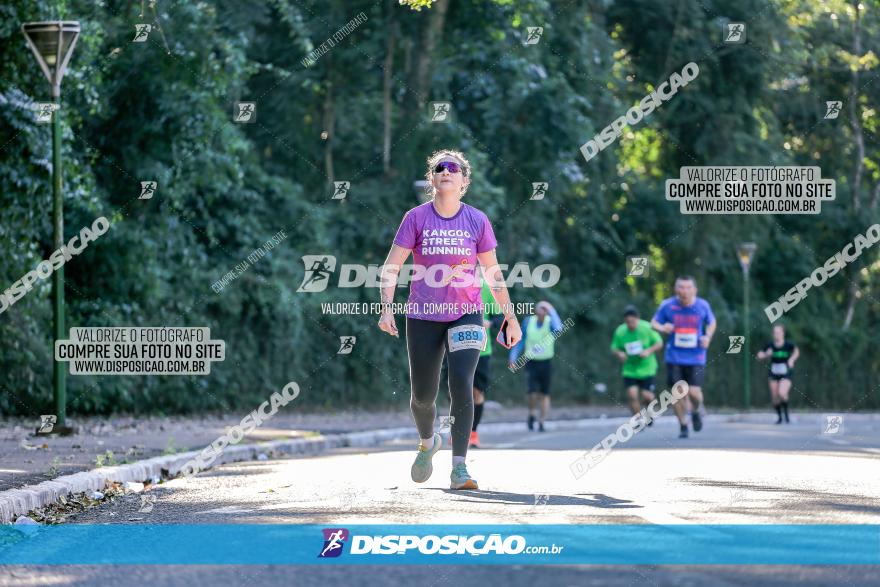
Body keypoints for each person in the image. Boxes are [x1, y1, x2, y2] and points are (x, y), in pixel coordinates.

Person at [377, 149, 522, 490]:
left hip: (467, 313)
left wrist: (510, 317)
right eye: (439, 168)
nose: (446, 171)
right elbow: (392, 266)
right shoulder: (415, 217)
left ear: (463, 181)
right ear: (432, 179)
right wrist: (386, 306)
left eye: (452, 167)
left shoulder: (477, 220)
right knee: (423, 397)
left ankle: (460, 467)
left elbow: (493, 273)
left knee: (462, 383)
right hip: (423, 314)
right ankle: (428, 442)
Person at [651, 276, 716, 438]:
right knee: (677, 393)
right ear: (676, 289)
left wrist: (707, 336)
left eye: (688, 288)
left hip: (696, 356)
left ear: (694, 290)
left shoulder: (702, 305)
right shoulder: (668, 305)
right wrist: (662, 327)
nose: (684, 291)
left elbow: (712, 322)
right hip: (675, 357)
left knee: (694, 392)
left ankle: (696, 410)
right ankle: (683, 425)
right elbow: (654, 322)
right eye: (681, 287)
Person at [509, 301, 563, 432]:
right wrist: (513, 357)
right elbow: (521, 340)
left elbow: (559, 329)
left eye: (545, 310)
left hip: (546, 362)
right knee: (531, 392)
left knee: (544, 394)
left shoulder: (550, 322)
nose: (542, 312)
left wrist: (551, 309)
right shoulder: (529, 321)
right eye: (540, 309)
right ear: (536, 311)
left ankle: (542, 421)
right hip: (531, 362)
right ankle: (532, 413)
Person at [611, 305, 664, 425]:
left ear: (638, 319)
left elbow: (659, 343)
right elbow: (614, 348)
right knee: (632, 395)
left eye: (633, 321)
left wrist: (648, 351)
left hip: (647, 368)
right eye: (627, 322)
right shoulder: (620, 331)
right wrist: (620, 354)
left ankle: (649, 414)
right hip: (630, 369)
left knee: (647, 396)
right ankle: (638, 420)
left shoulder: (646, 327)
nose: (630, 324)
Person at [470, 280, 504, 448]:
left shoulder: (487, 288)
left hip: (481, 349)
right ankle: (458, 430)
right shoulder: (452, 284)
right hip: (453, 346)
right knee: (453, 391)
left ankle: (473, 432)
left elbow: (499, 316)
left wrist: (489, 323)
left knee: (477, 392)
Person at [756, 324, 799, 424]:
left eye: (778, 332)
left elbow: (796, 351)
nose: (776, 334)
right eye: (775, 332)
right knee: (775, 398)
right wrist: (767, 354)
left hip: (786, 373)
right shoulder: (770, 345)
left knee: (782, 393)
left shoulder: (788, 344)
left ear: (783, 333)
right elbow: (759, 356)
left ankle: (787, 416)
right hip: (774, 373)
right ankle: (780, 418)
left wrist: (792, 359)